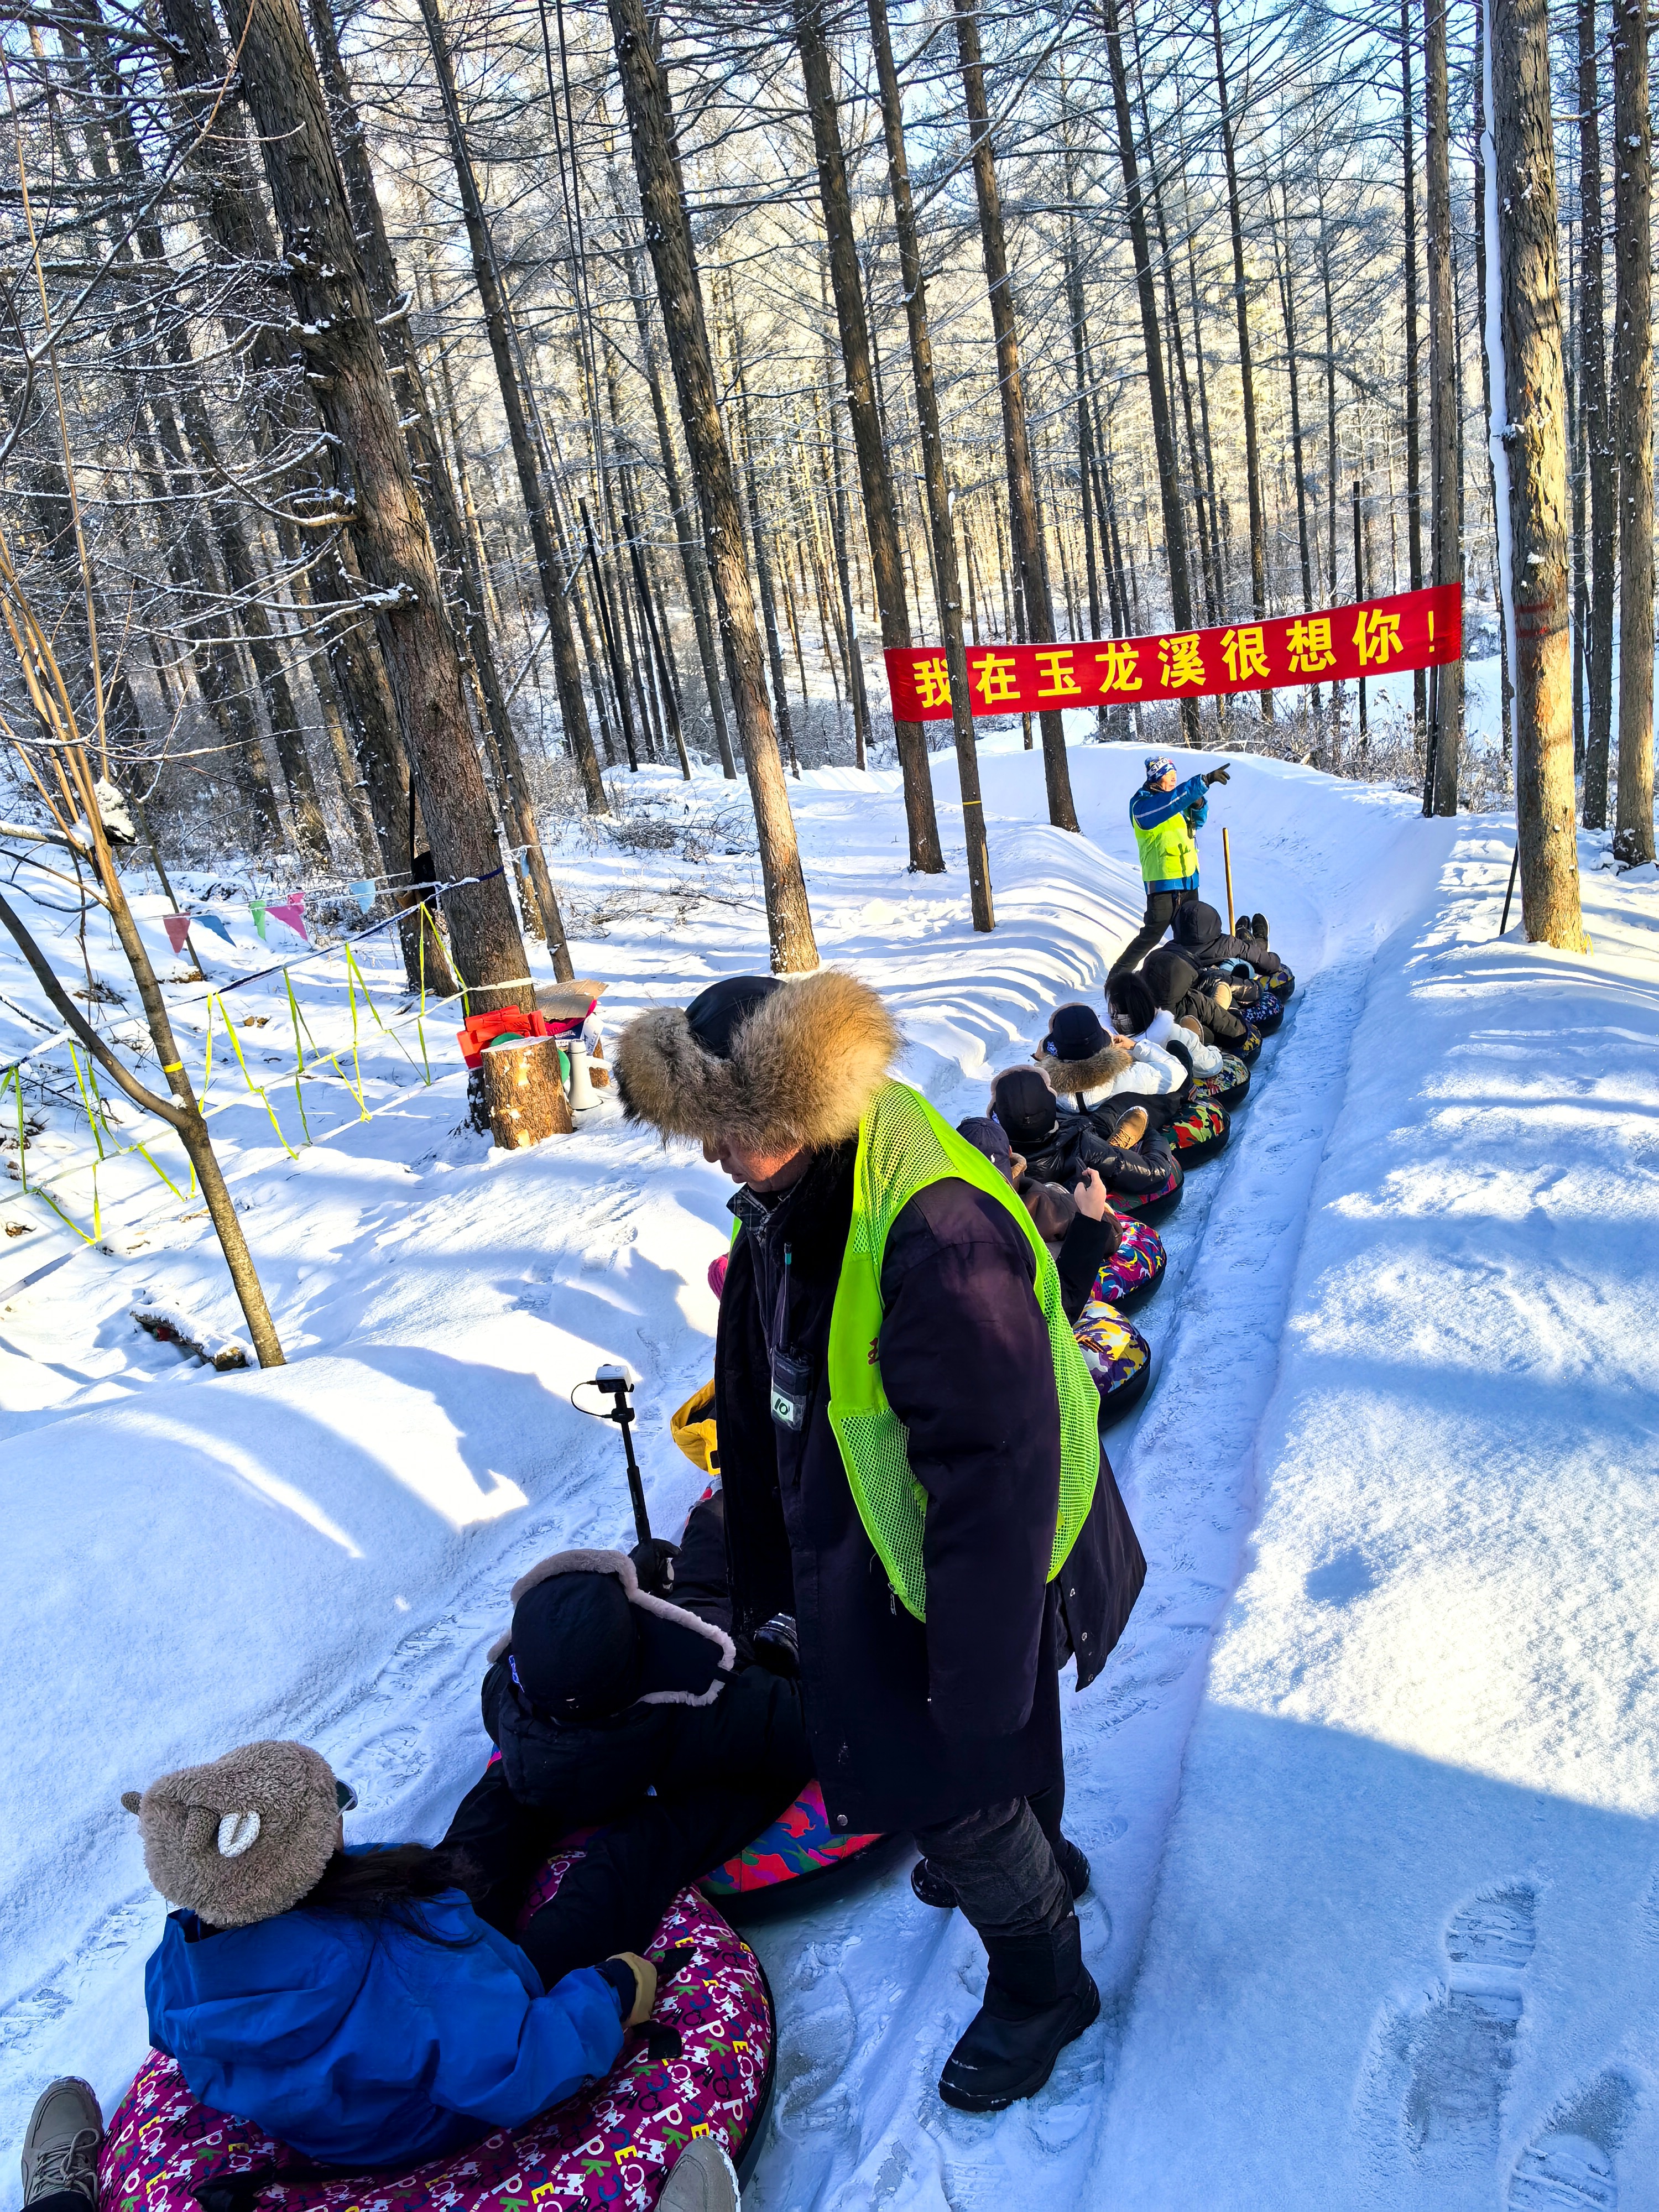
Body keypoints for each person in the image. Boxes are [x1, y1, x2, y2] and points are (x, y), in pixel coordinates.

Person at [613, 971, 1146, 2115]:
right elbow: (781, 1387)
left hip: (974, 1545)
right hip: (893, 1536)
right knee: (987, 1742)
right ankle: (1037, 1850)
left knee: (951, 1774)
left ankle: (1043, 1976)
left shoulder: (930, 1231)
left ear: (800, 1108)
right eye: (705, 1132)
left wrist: (970, 1670)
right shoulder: (812, 1189)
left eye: (733, 1134)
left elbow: (991, 1471)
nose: (714, 1157)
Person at [95, 1738, 737, 2210]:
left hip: (367, 2088)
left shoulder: (179, 1958)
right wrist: (605, 1994)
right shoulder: (407, 1962)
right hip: (454, 2072)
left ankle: (533, 1766)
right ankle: (738, 1778)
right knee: (623, 1867)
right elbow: (516, 2064)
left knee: (480, 1841)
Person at [440, 1547, 810, 1990]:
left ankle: (442, 1949)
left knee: (493, 1813)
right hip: (652, 1767)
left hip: (545, 1768)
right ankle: (530, 1981)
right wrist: (773, 1660)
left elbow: (562, 1653)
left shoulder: (501, 1695)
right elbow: (809, 1727)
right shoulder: (703, 1714)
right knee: (652, 1845)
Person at [989, 1066, 1182, 1220]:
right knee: (1118, 1111)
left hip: (1059, 1148)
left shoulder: (990, 1156)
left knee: (1104, 1116)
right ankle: (1120, 1142)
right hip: (1078, 1161)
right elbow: (1155, 1173)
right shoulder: (1082, 1144)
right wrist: (1151, 1135)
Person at [1109, 755, 1233, 978]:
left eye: (1176, 775)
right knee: (1151, 936)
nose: (1175, 779)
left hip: (1188, 879)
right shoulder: (1142, 805)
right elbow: (1167, 805)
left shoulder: (1174, 800)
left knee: (1193, 936)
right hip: (1164, 883)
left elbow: (1199, 820)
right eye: (1170, 775)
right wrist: (1201, 783)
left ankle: (1189, 977)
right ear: (1157, 777)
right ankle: (1117, 977)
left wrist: (1198, 804)